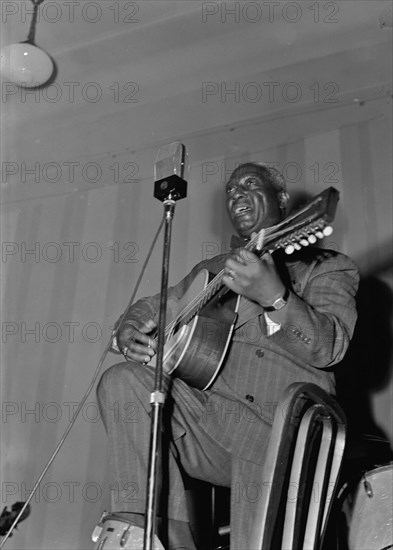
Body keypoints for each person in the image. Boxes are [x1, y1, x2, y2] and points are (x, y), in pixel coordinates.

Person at [96, 162, 359, 550]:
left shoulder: (327, 268)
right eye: (230, 190)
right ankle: (148, 533)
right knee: (122, 380)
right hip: (211, 426)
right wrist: (129, 328)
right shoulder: (211, 270)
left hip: (279, 432)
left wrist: (275, 296)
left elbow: (329, 347)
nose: (236, 194)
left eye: (249, 184)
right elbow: (149, 307)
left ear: (282, 201)